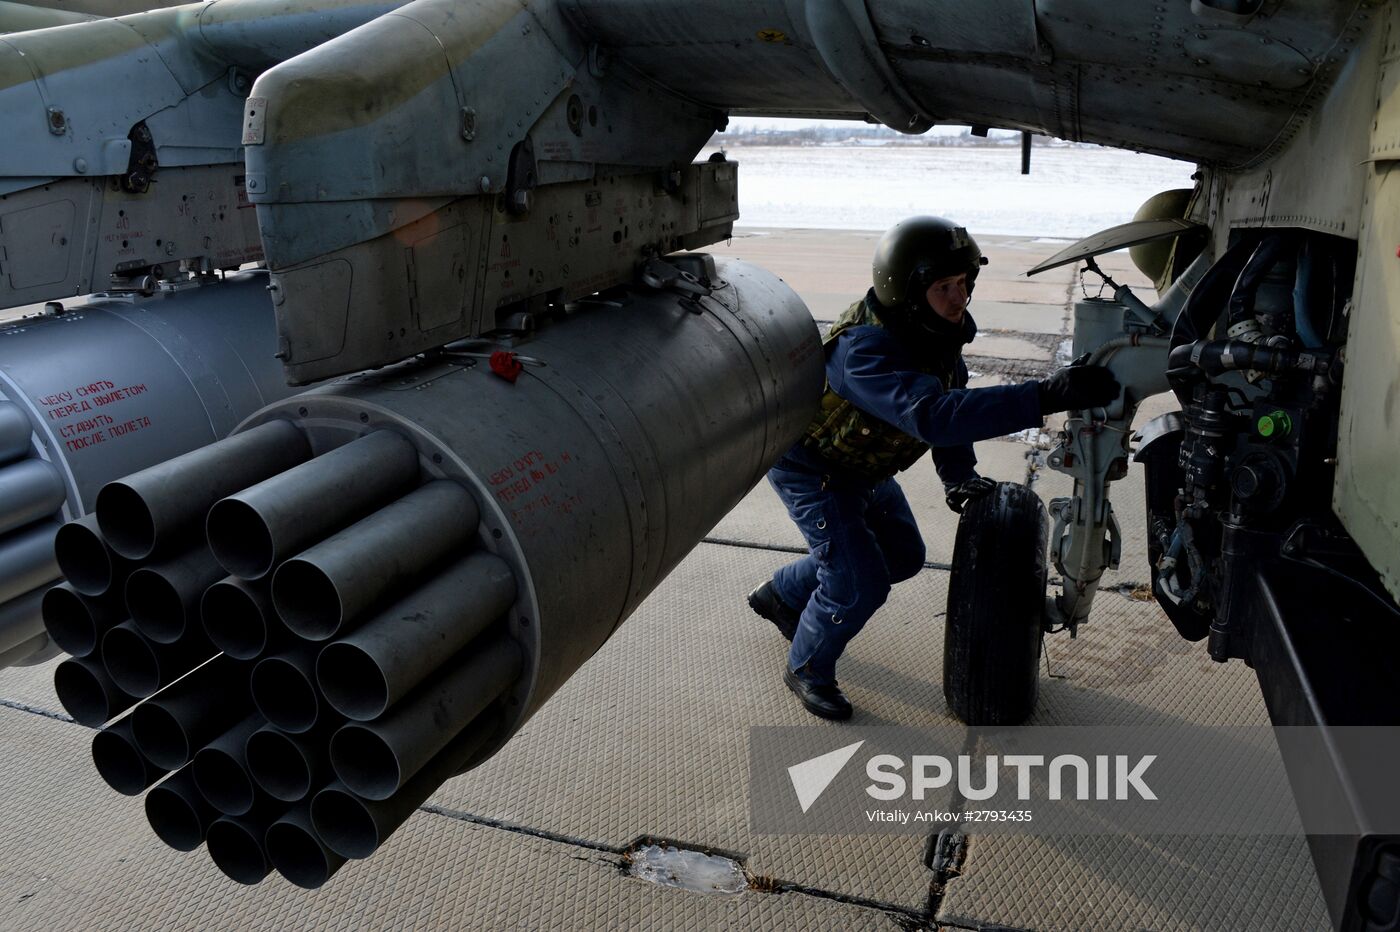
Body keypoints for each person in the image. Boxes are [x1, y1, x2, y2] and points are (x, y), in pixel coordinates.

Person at [747, 216, 1119, 720]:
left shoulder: (933, 336)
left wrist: (958, 474)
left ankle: (782, 594)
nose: (958, 298)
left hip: (863, 472)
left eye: (964, 284)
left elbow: (951, 400)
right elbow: (933, 416)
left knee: (901, 556)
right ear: (906, 292)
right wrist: (1044, 396)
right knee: (859, 583)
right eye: (943, 287)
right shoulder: (865, 352)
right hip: (817, 474)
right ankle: (806, 667)